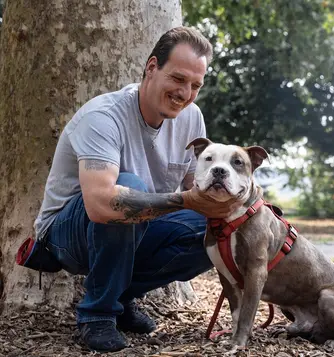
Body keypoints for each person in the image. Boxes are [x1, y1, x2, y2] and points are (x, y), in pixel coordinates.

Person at [32, 26, 238, 353]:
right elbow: (100, 205)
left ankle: (120, 296)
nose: (185, 93)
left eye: (195, 85)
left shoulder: (191, 118)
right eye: (178, 79)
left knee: (215, 230)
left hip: (136, 230)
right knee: (126, 189)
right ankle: (97, 313)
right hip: (66, 234)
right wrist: (186, 200)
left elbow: (193, 187)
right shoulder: (104, 116)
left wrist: (238, 208)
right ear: (152, 67)